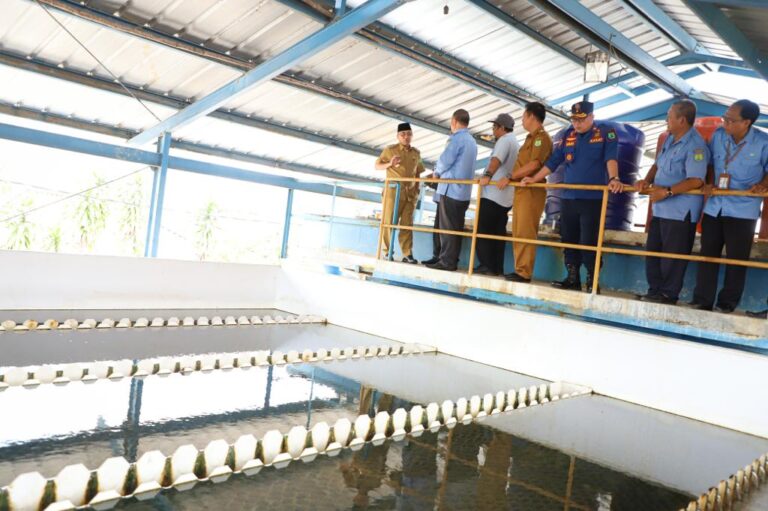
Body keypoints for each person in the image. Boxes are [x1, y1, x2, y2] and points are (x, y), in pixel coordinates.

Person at [521, 101, 623, 292]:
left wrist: (614, 178)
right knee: (568, 239)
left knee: (589, 242)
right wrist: (534, 179)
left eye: (581, 119)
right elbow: (553, 162)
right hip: (568, 198)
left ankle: (592, 281)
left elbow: (611, 158)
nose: (577, 123)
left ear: (591, 117)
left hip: (592, 200)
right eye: (574, 119)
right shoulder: (568, 136)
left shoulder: (605, 133)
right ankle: (573, 277)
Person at [691, 99, 768, 312]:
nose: (725, 122)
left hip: (744, 210)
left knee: (736, 260)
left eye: (731, 120)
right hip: (714, 207)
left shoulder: (763, 142)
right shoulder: (718, 135)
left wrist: (762, 184)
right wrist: (707, 183)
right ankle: (702, 300)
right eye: (725, 117)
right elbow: (708, 163)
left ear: (747, 123)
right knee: (708, 255)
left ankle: (727, 304)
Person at [634, 100, 708, 305]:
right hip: (660, 209)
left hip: (680, 211)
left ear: (681, 120)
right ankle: (654, 290)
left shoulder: (696, 145)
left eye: (669, 116)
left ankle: (668, 294)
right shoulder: (668, 139)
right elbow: (657, 164)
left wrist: (666, 192)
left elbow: (696, 180)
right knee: (653, 252)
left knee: (673, 257)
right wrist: (646, 181)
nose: (666, 120)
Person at [497, 102, 553, 283]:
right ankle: (520, 269)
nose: (522, 120)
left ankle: (524, 272)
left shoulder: (541, 138)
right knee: (518, 230)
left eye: (523, 116)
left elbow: (535, 164)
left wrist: (510, 175)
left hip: (532, 190)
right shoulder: (530, 138)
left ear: (531, 116)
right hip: (522, 189)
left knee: (526, 231)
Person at [426, 109, 478, 271]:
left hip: (451, 189)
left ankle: (447, 262)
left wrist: (436, 173)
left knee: (447, 228)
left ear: (454, 121)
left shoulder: (457, 139)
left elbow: (445, 160)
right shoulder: (472, 141)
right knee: (455, 228)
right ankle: (449, 259)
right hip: (463, 192)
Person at [476, 113, 519, 276]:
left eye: (495, 127)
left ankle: (486, 265)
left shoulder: (504, 140)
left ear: (502, 127)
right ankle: (496, 267)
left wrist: (487, 175)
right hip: (505, 198)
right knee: (498, 233)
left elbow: (496, 160)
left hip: (493, 195)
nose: (493, 131)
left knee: (484, 230)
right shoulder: (515, 142)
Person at [375, 122, 425, 263]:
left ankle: (407, 254)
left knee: (407, 225)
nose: (406, 137)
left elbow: (418, 172)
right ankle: (387, 252)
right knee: (389, 222)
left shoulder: (416, 153)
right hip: (393, 193)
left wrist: (417, 189)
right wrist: (390, 164)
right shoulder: (390, 150)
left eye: (409, 134)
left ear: (412, 136)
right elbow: (377, 165)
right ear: (398, 136)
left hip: (410, 195)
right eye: (402, 134)